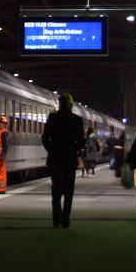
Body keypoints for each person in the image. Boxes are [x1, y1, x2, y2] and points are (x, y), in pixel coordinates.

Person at [42, 94, 85, 228]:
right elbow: (81, 141)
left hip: (55, 159)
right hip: (69, 160)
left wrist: (51, 150)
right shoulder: (77, 120)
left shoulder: (53, 117)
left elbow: (45, 138)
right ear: (71, 104)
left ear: (60, 104)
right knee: (68, 191)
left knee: (56, 191)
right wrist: (74, 150)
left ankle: (56, 219)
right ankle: (65, 219)